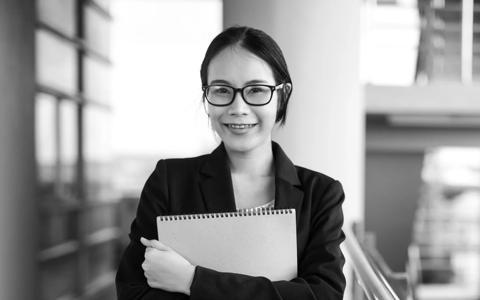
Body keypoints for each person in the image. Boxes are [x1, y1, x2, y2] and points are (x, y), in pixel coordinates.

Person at [115, 26, 346, 299]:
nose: (238, 108)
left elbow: (324, 295)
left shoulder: (320, 194)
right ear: (207, 98)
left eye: (257, 90)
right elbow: (133, 292)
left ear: (281, 97)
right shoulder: (170, 182)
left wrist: (192, 280)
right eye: (222, 90)